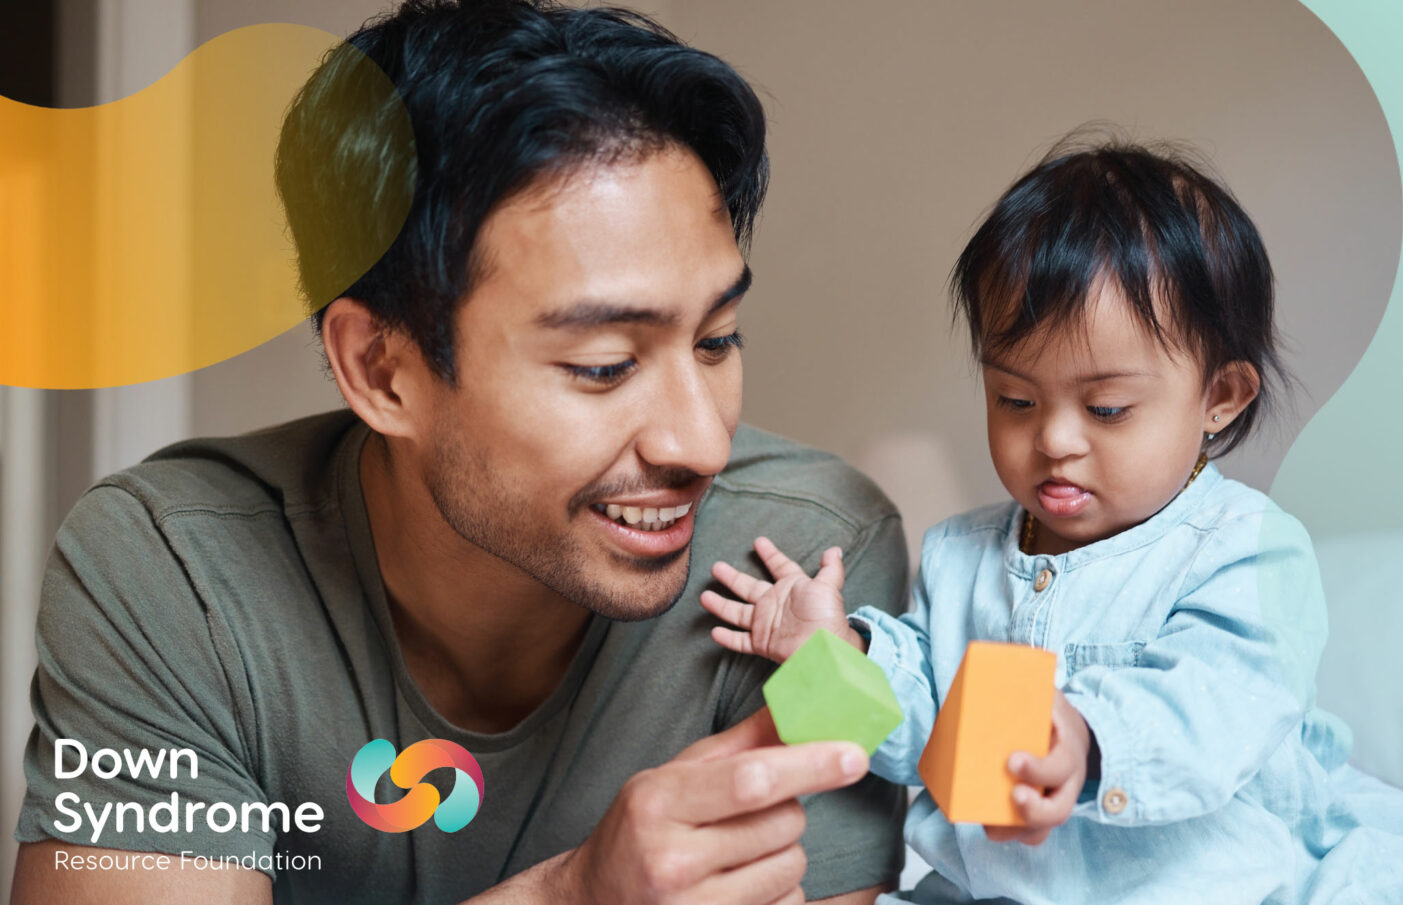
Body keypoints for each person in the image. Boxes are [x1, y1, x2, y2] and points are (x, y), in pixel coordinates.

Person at [10, 2, 910, 903]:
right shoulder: (176, 574)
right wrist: (568, 896)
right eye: (605, 365)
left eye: (717, 340)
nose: (701, 442)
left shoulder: (800, 568)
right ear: (382, 369)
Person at [701, 140, 1403, 903]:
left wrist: (1086, 737)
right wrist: (828, 655)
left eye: (1107, 408)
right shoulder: (958, 558)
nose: (1054, 439)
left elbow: (1218, 707)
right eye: (1016, 399)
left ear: (1220, 397)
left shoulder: (1245, 550)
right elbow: (916, 745)